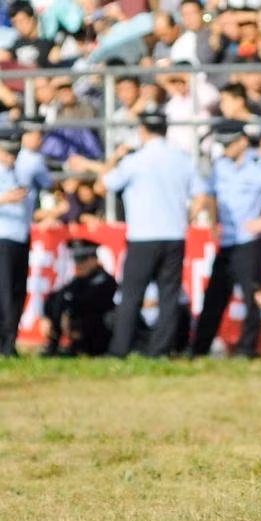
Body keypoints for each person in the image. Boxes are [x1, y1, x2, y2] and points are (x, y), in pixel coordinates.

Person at [71, 110, 208, 357]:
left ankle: (120, 349)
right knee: (169, 296)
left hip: (143, 237)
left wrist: (113, 158)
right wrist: (185, 218)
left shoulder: (136, 160)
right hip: (174, 234)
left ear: (143, 130)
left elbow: (104, 185)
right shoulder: (182, 158)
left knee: (131, 295)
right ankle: (161, 350)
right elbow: (201, 196)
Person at [190, 120, 261, 358]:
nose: (225, 149)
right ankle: (198, 349)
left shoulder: (257, 165)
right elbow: (211, 194)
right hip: (226, 239)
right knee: (214, 296)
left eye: (229, 144)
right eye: (222, 145)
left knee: (252, 298)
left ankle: (248, 350)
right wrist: (214, 220)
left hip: (249, 240)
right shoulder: (220, 166)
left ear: (242, 142)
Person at [40, 239, 117, 357]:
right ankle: (54, 345)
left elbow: (88, 302)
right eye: (76, 260)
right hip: (80, 332)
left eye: (82, 260)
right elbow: (55, 297)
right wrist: (46, 316)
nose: (78, 264)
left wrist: (68, 313)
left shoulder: (105, 280)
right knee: (60, 303)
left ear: (94, 260)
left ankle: (84, 349)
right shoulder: (78, 281)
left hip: (100, 337)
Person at [0, 127, 29, 356]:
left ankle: (10, 341)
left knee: (18, 291)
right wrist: (4, 199)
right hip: (3, 238)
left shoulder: (17, 171)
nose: (12, 156)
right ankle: (5, 345)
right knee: (5, 293)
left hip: (19, 236)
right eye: (8, 151)